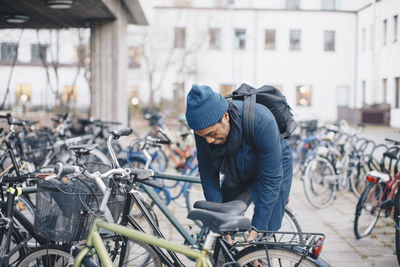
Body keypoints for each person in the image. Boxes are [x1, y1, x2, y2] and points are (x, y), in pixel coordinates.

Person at [185, 84, 293, 240]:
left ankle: (261, 256)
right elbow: (208, 173)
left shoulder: (261, 120)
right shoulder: (204, 130)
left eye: (212, 134)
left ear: (225, 117)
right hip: (236, 168)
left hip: (273, 168)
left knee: (265, 232)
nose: (209, 140)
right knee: (223, 224)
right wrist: (222, 228)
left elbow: (271, 180)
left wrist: (256, 231)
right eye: (203, 136)